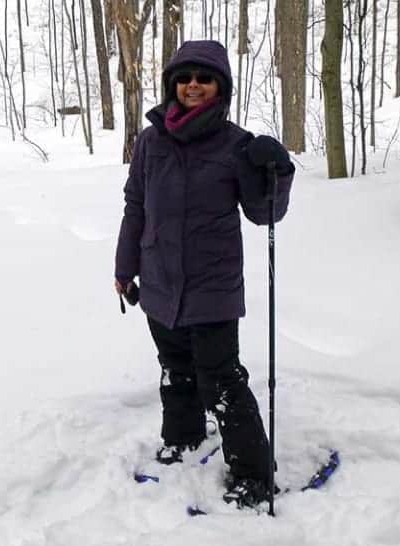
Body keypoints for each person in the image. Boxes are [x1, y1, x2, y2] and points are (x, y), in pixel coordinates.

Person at [114, 40, 294, 508]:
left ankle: (255, 473)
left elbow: (264, 213)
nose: (193, 85)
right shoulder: (151, 141)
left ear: (220, 87)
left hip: (212, 284)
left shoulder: (237, 145)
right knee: (176, 369)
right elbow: (136, 206)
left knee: (220, 377)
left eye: (204, 78)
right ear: (173, 84)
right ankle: (184, 437)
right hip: (158, 281)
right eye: (184, 78)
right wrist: (124, 266)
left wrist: (278, 171)